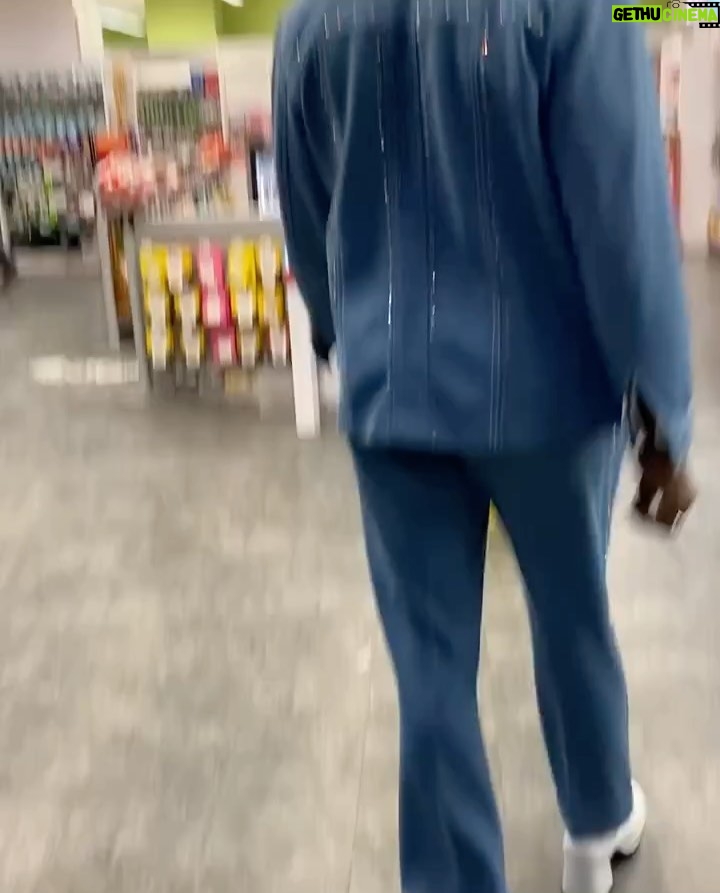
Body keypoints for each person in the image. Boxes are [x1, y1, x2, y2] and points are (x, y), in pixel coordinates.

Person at [272, 2, 693, 892]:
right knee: (573, 615)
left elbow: (306, 211)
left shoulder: (310, 21)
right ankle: (595, 826)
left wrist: (341, 332)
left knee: (428, 664)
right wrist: (661, 407)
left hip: (392, 395)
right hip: (547, 395)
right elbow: (622, 214)